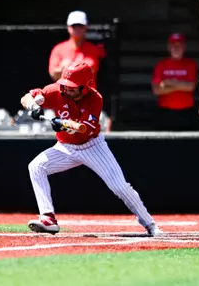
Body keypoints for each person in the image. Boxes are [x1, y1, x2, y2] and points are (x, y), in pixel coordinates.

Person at [20, 62, 160, 236]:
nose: (67, 89)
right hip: (65, 147)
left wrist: (63, 124)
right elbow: (26, 97)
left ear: (85, 87)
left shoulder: (95, 98)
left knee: (120, 187)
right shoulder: (56, 89)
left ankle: (149, 224)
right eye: (65, 85)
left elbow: (83, 129)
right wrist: (33, 105)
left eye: (72, 87)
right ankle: (48, 218)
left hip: (92, 146)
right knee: (36, 167)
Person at [151, 33, 199, 131]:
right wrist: (180, 85)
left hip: (186, 111)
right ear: (169, 47)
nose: (176, 48)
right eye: (173, 45)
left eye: (179, 45)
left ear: (183, 47)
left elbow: (190, 86)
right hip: (166, 111)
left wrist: (169, 82)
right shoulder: (161, 65)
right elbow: (156, 90)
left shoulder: (190, 64)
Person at [48, 11, 105, 87]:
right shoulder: (58, 48)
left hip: (86, 96)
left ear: (86, 27)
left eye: (80, 26)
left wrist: (66, 68)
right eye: (74, 26)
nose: (77, 28)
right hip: (64, 96)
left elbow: (90, 69)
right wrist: (62, 68)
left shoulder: (92, 49)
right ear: (68, 27)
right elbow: (53, 74)